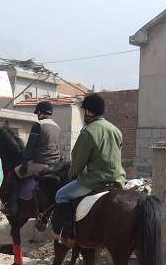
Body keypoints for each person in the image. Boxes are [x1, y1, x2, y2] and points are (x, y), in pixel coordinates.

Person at [52, 93, 126, 240]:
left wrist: (72, 175)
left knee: (61, 194)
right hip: (118, 180)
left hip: (95, 180)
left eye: (84, 110)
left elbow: (78, 161)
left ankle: (67, 233)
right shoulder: (116, 130)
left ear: (89, 111)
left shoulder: (88, 132)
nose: (83, 114)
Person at [1, 100, 62, 218]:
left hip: (40, 164)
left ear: (40, 112)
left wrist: (24, 163)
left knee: (12, 174)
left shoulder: (38, 125)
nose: (37, 115)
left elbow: (30, 147)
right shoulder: (57, 127)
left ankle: (11, 207)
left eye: (37, 113)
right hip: (55, 165)